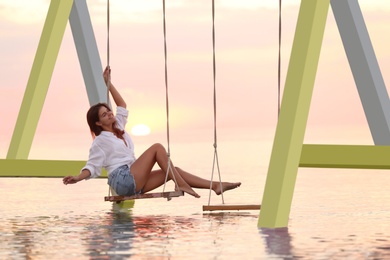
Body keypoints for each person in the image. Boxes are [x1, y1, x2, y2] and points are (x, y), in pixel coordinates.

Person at [63, 66, 241, 198]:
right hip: (123, 179)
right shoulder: (100, 142)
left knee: (172, 170)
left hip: (134, 179)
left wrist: (108, 84)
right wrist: (78, 178)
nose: (110, 113)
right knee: (157, 148)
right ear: (98, 123)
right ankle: (182, 184)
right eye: (104, 114)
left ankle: (215, 186)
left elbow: (122, 106)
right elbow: (92, 166)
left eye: (108, 111)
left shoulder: (119, 128)